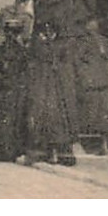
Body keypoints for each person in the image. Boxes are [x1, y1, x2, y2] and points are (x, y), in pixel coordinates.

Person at [25, 19, 78, 166]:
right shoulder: (39, 49)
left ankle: (59, 152)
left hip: (57, 90)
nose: (47, 35)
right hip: (45, 89)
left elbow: (65, 69)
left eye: (50, 32)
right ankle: (45, 151)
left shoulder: (60, 49)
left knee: (57, 119)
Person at [0, 9, 33, 163]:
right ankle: (10, 151)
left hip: (1, 90)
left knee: (0, 120)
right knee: (13, 120)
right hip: (15, 91)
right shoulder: (23, 52)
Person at [71, 18, 108, 155]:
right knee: (96, 116)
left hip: (101, 84)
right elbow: (78, 64)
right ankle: (99, 145)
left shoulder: (107, 43)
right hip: (94, 84)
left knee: (102, 115)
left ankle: (103, 144)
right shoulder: (82, 44)